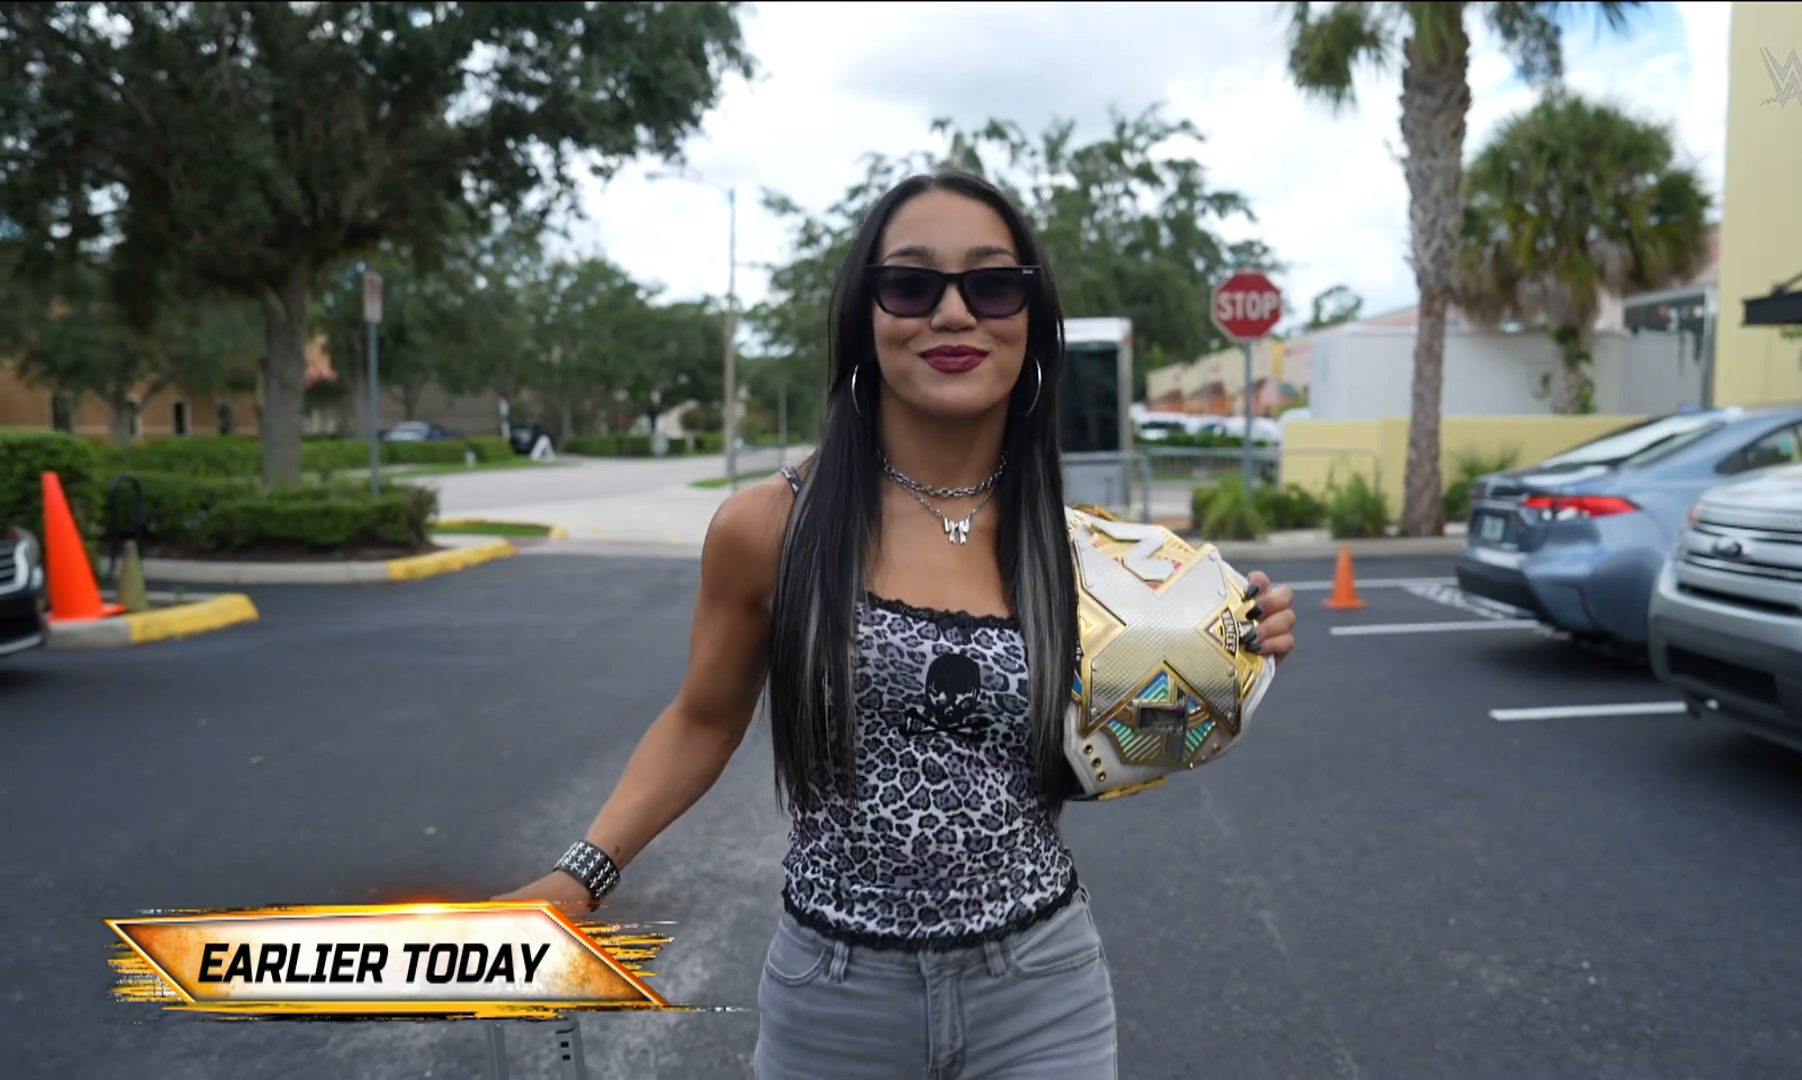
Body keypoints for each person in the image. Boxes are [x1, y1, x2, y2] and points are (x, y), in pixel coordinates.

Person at [495, 170, 1299, 1078]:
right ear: (865, 317)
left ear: (1030, 319)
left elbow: (1115, 740)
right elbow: (704, 719)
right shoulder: (771, 528)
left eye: (992, 285)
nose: (954, 313)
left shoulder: (1075, 548)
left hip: (1043, 993)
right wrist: (580, 875)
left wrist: (1233, 654)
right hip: (833, 1005)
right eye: (912, 284)